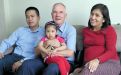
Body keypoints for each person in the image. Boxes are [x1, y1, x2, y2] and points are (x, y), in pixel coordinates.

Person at [19, 2, 76, 75]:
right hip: (45, 59)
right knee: (27, 65)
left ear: (65, 15)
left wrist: (52, 53)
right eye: (55, 12)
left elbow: (70, 53)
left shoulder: (71, 30)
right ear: (51, 15)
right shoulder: (46, 29)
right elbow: (36, 52)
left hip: (65, 61)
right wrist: (46, 44)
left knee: (52, 68)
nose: (58, 15)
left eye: (61, 12)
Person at [74, 3, 121, 75]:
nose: (93, 17)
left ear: (104, 19)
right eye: (92, 14)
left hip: (110, 62)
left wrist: (97, 60)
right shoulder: (85, 31)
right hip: (91, 64)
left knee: (86, 73)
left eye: (97, 15)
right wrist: (83, 66)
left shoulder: (109, 30)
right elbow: (87, 51)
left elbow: (111, 51)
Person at [0, 6, 44, 75]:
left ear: (38, 18)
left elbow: (38, 54)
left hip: (30, 59)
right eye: (27, 17)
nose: (30, 19)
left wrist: (22, 61)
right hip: (14, 56)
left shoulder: (44, 33)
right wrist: (1, 51)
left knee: (25, 67)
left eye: (32, 16)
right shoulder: (20, 30)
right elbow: (7, 42)